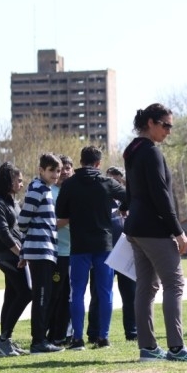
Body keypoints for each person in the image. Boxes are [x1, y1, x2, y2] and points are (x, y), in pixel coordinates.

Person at [123, 103, 187, 363]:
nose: (169, 131)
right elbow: (160, 195)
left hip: (136, 228)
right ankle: (177, 348)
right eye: (165, 125)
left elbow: (131, 191)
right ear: (150, 122)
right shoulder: (151, 152)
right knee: (174, 283)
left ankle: (148, 348)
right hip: (153, 229)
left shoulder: (132, 149)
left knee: (146, 287)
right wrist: (178, 231)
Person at [55, 146, 127, 350]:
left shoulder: (70, 184)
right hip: (103, 243)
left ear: (80, 161)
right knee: (105, 292)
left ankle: (77, 339)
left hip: (79, 245)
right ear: (98, 163)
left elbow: (60, 211)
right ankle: (103, 337)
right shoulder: (107, 182)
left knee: (77, 292)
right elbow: (129, 196)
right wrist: (122, 208)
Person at [18, 154, 63, 353]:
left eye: (58, 171)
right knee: (42, 296)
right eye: (51, 170)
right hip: (40, 251)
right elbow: (22, 221)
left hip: (45, 250)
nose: (56, 174)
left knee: (45, 296)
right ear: (41, 170)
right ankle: (38, 341)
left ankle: (41, 339)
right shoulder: (38, 189)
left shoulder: (45, 189)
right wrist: (27, 248)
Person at [0, 163, 32, 358]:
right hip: (7, 255)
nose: (21, 184)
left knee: (12, 295)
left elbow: (19, 228)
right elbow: (3, 232)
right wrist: (20, 253)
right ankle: (3, 339)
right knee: (26, 292)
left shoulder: (12, 201)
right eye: (18, 180)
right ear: (8, 180)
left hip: (17, 254)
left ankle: (6, 340)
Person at [45, 154, 73, 346]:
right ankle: (50, 334)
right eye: (59, 169)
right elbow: (49, 223)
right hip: (56, 253)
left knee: (69, 296)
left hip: (75, 253)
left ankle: (64, 334)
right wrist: (72, 218)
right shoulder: (50, 192)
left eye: (67, 168)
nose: (63, 172)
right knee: (55, 295)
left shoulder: (75, 190)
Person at [106, 166, 136, 341]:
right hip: (106, 254)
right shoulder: (102, 200)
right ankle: (99, 334)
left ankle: (132, 332)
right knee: (103, 295)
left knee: (130, 295)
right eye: (111, 181)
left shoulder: (130, 202)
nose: (114, 185)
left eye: (118, 182)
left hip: (126, 252)